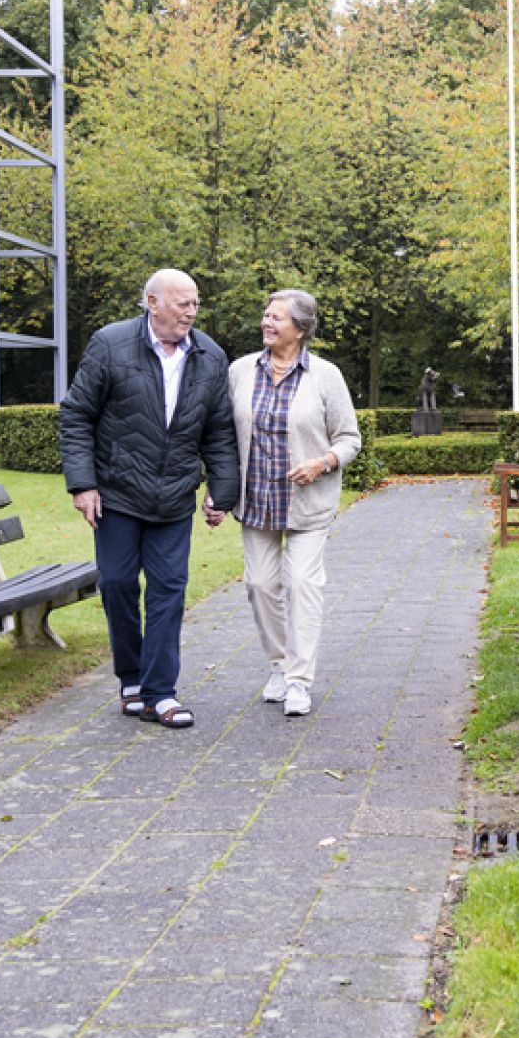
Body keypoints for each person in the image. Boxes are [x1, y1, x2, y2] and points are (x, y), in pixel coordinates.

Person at [59, 269, 239, 729]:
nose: (191, 312)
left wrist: (222, 491)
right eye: (182, 303)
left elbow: (219, 430)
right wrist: (82, 484)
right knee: (118, 584)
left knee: (168, 591)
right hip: (117, 493)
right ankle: (131, 679)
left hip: (174, 496)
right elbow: (77, 415)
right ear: (152, 303)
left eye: (195, 303)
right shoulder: (110, 344)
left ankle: (161, 693)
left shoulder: (209, 355)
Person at [221, 289, 361, 717]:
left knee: (302, 584)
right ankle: (280, 667)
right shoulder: (240, 371)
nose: (267, 322)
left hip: (307, 505)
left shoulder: (325, 376)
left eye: (276, 317)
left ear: (299, 329)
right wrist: (218, 489)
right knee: (260, 586)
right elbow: (223, 435)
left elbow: (350, 439)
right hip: (256, 503)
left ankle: (300, 680)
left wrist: (322, 462)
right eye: (266, 315)